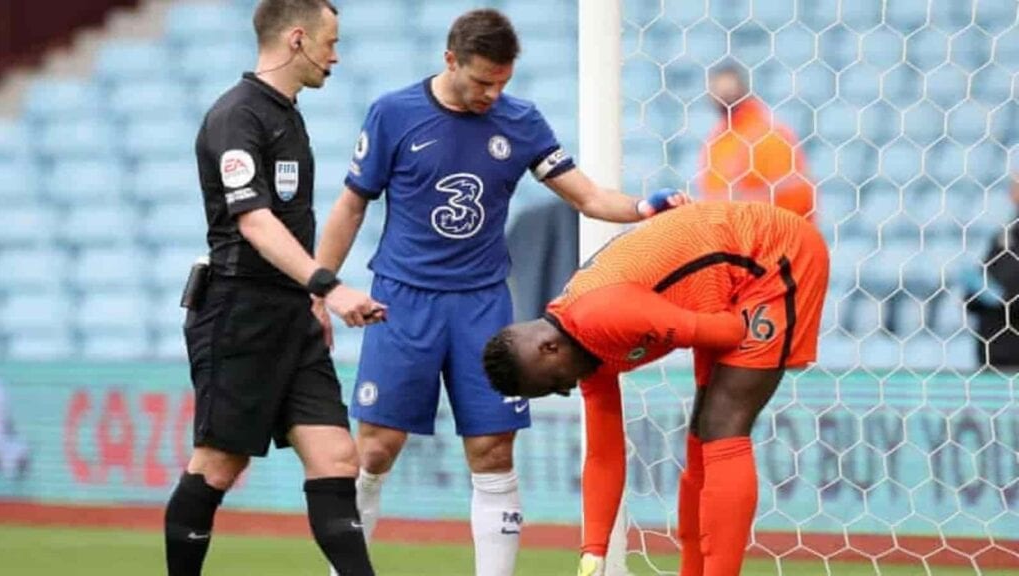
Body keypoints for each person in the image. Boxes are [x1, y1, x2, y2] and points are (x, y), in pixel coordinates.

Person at [315, 9, 684, 576]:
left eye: (503, 82)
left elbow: (585, 196)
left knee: (492, 453)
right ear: (450, 61)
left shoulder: (520, 121)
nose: (493, 93)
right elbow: (351, 203)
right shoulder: (394, 113)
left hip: (483, 305)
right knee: (374, 450)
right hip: (403, 300)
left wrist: (641, 208)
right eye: (483, 81)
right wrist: (323, 286)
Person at [483, 201, 830, 576]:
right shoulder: (581, 348)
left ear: (548, 348)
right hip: (721, 285)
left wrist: (679, 322)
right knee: (700, 440)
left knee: (721, 426)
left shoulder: (602, 315)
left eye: (554, 384)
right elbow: (603, 455)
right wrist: (593, 549)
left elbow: (728, 330)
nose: (567, 389)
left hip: (771, 257)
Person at [163, 2, 384, 575]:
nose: (336, 56)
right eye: (330, 42)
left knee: (337, 457)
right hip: (240, 313)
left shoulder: (287, 113)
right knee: (218, 463)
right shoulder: (236, 116)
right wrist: (329, 286)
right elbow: (255, 222)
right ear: (295, 39)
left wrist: (311, 301)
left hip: (292, 313)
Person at [700, 63, 816, 221]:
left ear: (744, 90)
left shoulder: (769, 134)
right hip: (730, 237)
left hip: (768, 236)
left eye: (728, 91)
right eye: (717, 90)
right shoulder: (717, 139)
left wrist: (742, 205)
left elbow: (797, 192)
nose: (723, 96)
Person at [964, 178, 1019, 369]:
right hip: (991, 351)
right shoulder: (1003, 236)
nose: (1013, 190)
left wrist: (1003, 298)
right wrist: (976, 292)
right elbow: (976, 291)